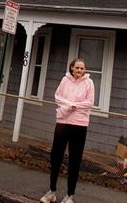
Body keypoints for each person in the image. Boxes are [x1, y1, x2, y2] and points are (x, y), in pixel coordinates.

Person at [40, 58, 96, 203]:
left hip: (79, 126)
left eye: (82, 68)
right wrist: (70, 106)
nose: (79, 70)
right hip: (63, 123)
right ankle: (51, 192)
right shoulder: (65, 81)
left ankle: (70, 195)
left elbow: (89, 103)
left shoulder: (89, 83)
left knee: (75, 160)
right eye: (77, 67)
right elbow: (57, 97)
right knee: (56, 156)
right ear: (72, 68)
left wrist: (74, 106)